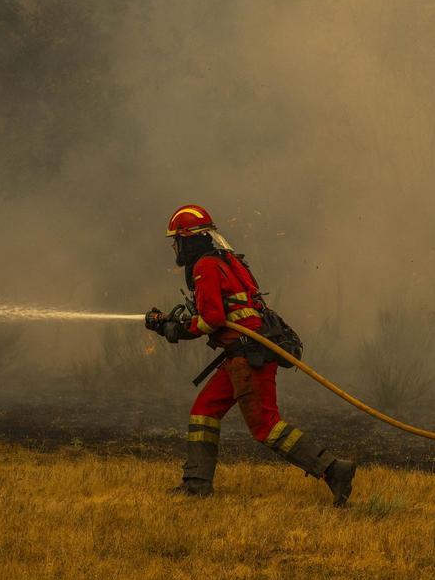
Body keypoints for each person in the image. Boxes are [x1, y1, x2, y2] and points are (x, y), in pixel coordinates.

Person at [146, 204, 356, 506]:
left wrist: (175, 330)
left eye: (175, 240)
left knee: (266, 427)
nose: (175, 247)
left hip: (248, 358)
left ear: (187, 239)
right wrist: (173, 324)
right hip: (242, 354)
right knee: (204, 412)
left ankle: (334, 470)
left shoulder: (204, 266)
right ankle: (196, 485)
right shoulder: (229, 261)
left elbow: (213, 318)